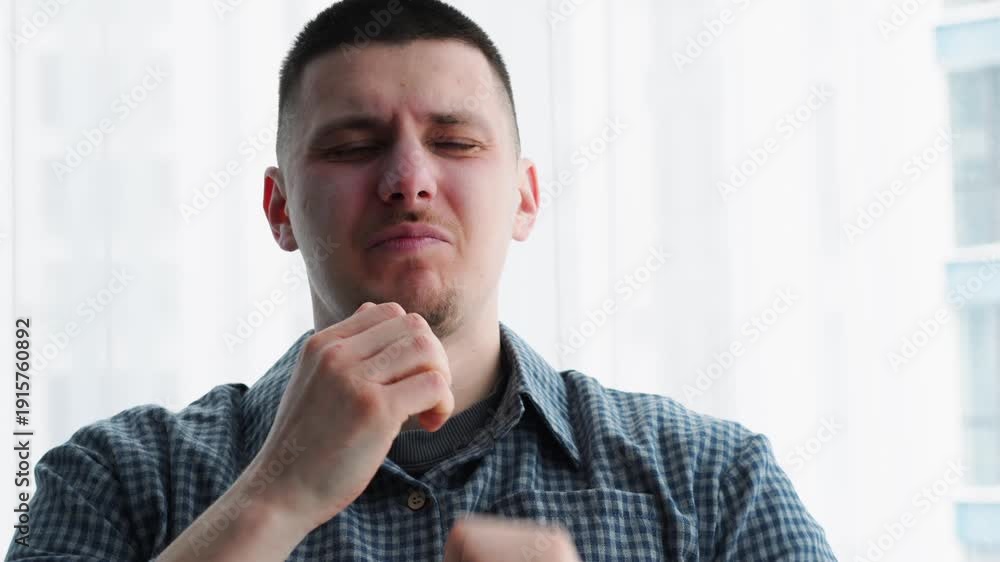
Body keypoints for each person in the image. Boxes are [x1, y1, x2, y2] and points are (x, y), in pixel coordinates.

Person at [6, 1, 837, 560]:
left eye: (456, 142)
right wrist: (272, 498)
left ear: (525, 197)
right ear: (279, 208)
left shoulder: (714, 483)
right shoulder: (115, 480)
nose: (408, 180)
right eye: (353, 146)